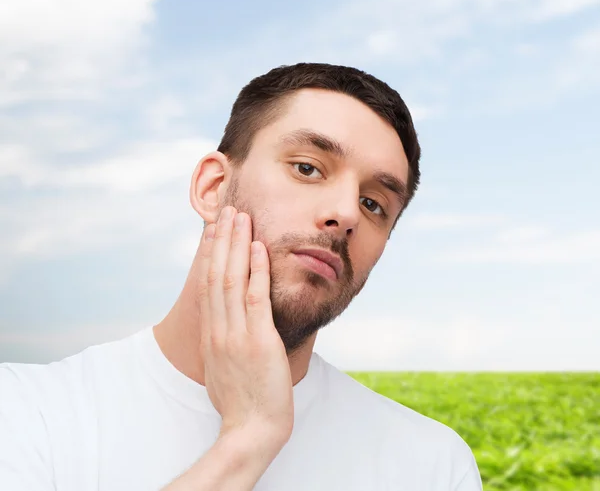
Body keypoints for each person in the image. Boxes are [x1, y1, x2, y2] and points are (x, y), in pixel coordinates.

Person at [0, 63, 483, 490]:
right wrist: (248, 439)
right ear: (213, 187)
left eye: (374, 203)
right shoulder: (26, 413)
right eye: (308, 168)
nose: (345, 213)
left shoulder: (432, 466)